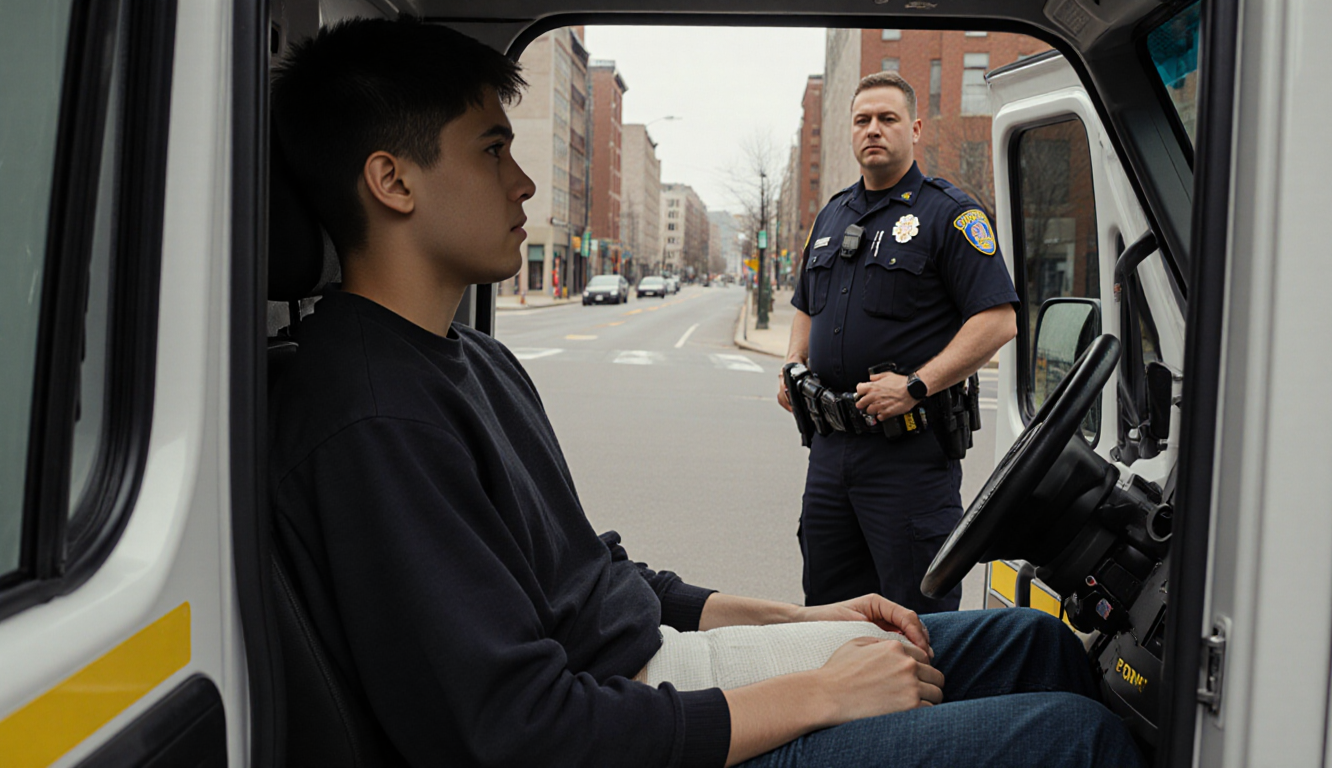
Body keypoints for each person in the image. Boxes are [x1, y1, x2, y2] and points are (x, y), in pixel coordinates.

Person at [269, 17, 1142, 767]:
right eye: (493, 150)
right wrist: (819, 695)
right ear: (393, 181)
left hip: (659, 666)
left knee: (1029, 641)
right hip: (634, 725)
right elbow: (521, 731)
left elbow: (596, 576)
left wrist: (799, 618)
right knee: (1075, 738)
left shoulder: (470, 357)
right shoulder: (371, 416)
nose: (524, 182)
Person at [777, 72, 1019, 613]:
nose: (873, 130)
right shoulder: (831, 215)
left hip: (908, 456)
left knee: (918, 619)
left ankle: (920, 703)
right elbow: (804, 303)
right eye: (862, 120)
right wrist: (792, 362)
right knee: (827, 611)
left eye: (887, 119)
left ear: (914, 129)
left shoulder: (948, 213)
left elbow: (998, 320)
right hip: (831, 451)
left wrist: (915, 386)